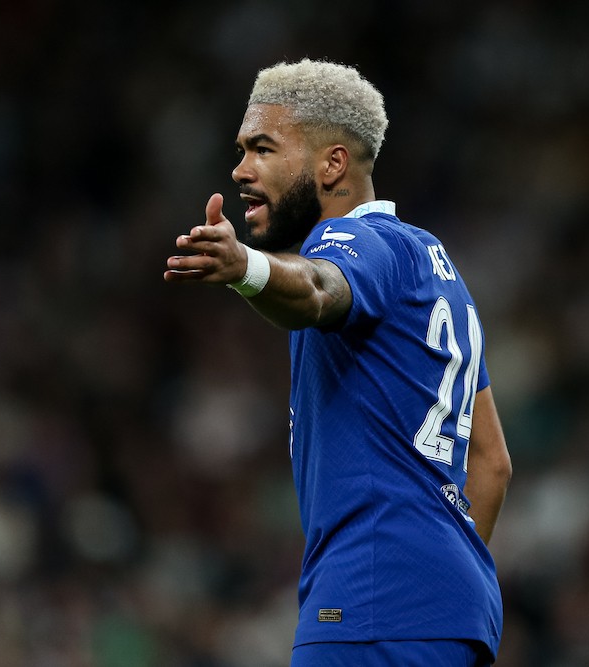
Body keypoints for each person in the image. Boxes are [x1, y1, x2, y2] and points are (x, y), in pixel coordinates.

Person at [164, 58, 512, 667]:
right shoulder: (435, 266)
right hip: (451, 610)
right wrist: (434, 577)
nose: (242, 171)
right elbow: (492, 462)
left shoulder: (355, 242)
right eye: (242, 151)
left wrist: (244, 268)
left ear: (332, 164)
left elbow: (321, 291)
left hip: (373, 600)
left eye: (263, 149)